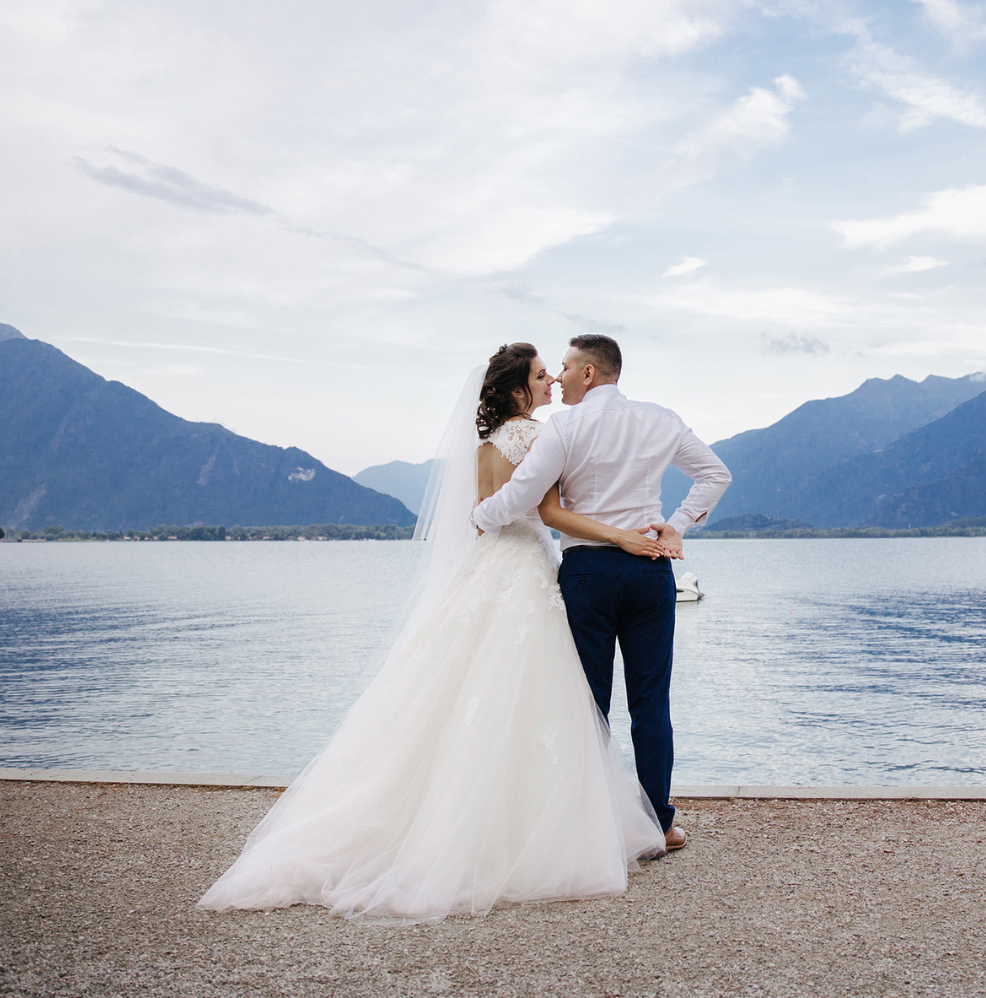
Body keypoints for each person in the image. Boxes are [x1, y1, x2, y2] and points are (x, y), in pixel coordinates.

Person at [198, 342, 667, 924]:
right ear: (519, 389)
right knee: (532, 692)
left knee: (465, 687)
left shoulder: (484, 445)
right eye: (542, 375)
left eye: (554, 372)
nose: (552, 382)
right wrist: (622, 535)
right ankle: (534, 825)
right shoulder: (537, 438)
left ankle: (443, 813)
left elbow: (481, 512)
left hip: (489, 566)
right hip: (526, 568)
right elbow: (546, 512)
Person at [473, 335, 731, 851]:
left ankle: (587, 824)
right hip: (650, 571)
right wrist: (676, 525)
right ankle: (659, 824)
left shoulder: (566, 425)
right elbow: (714, 474)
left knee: (587, 704)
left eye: (565, 368)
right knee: (651, 704)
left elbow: (524, 495)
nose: (560, 378)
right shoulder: (661, 419)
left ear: (588, 373)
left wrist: (481, 516)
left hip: (587, 574)